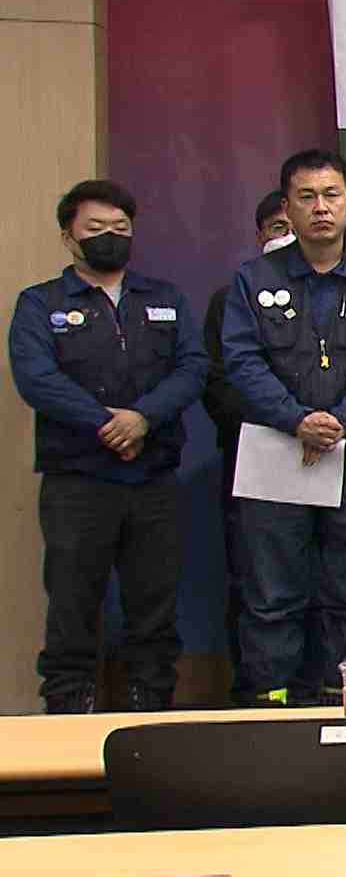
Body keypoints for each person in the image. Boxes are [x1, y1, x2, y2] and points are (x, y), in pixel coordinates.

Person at [224, 150, 346, 706]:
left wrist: (341, 422)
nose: (321, 208)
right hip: (276, 453)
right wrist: (296, 419)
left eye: (331, 195)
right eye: (306, 197)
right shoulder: (253, 278)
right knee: (270, 596)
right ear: (287, 208)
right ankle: (271, 708)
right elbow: (240, 359)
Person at [9, 180, 207, 713]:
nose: (110, 236)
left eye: (120, 227)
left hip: (153, 478)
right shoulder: (41, 303)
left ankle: (150, 710)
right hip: (78, 481)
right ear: (68, 237)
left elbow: (193, 367)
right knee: (72, 605)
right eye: (96, 228)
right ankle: (68, 714)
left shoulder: (163, 298)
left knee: (154, 607)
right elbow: (36, 378)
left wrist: (143, 419)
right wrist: (106, 425)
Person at [203, 189, 295, 703]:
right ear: (259, 235)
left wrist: (319, 425)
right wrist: (284, 423)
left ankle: (313, 694)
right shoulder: (233, 297)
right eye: (277, 227)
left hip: (328, 450)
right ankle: (257, 695)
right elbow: (219, 382)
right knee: (257, 585)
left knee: (332, 587)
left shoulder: (341, 294)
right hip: (255, 453)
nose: (287, 235)